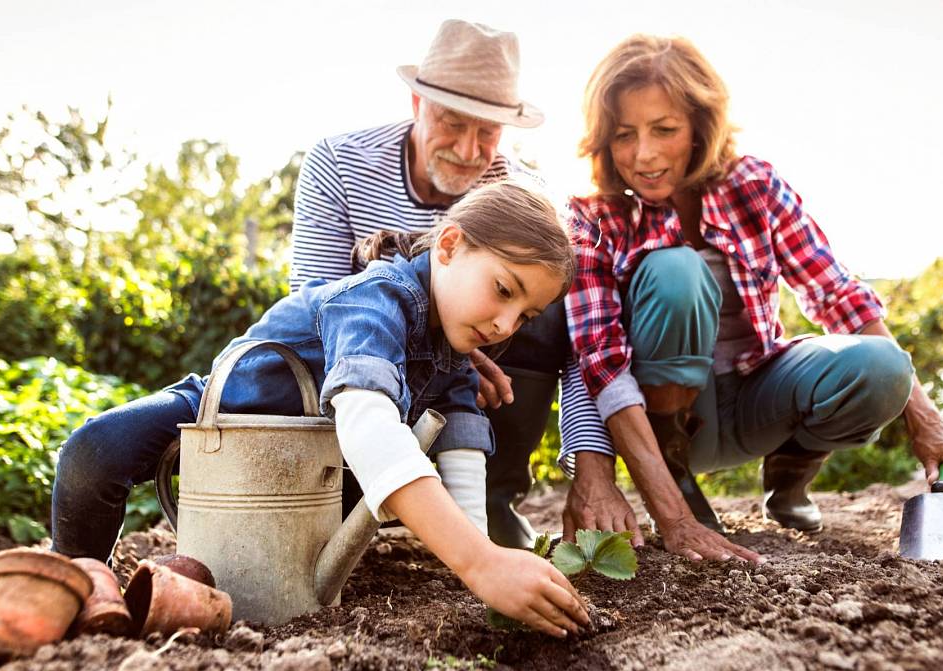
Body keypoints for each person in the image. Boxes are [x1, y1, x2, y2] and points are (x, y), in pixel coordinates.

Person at [51, 182, 590, 637]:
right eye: (503, 290)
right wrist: (479, 563)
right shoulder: (376, 299)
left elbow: (462, 447)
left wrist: (480, 552)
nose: (504, 325)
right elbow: (367, 419)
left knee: (364, 496)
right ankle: (79, 581)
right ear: (449, 245)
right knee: (94, 449)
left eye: (525, 315)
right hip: (221, 414)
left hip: (306, 471)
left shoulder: (453, 345)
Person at [559, 34, 943, 564]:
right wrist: (676, 520)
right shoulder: (592, 217)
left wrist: (927, 419)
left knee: (884, 368)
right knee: (675, 271)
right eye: (624, 135)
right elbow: (600, 365)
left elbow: (836, 295)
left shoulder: (753, 184)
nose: (643, 155)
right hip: (667, 423)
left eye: (664, 130)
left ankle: (789, 474)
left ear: (698, 127)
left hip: (759, 394)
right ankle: (678, 479)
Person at [290, 18, 615, 548]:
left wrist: (590, 468)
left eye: (487, 131)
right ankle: (345, 486)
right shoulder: (338, 162)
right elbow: (318, 297)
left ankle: (491, 493)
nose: (468, 150)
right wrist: (444, 350)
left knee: (539, 295)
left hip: (459, 369)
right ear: (417, 106)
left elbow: (585, 344)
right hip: (364, 362)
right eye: (452, 122)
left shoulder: (518, 191)